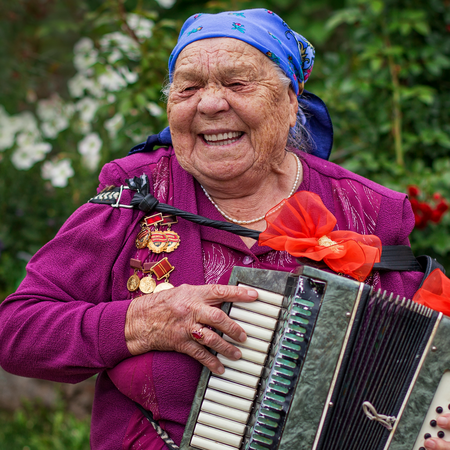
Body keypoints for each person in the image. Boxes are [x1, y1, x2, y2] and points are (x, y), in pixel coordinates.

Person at [0, 8, 445, 450]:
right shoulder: (134, 195)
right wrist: (140, 322)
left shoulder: (369, 209)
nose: (210, 104)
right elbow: (17, 330)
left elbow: (427, 359)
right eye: (189, 87)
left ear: (291, 102)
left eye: (237, 84)